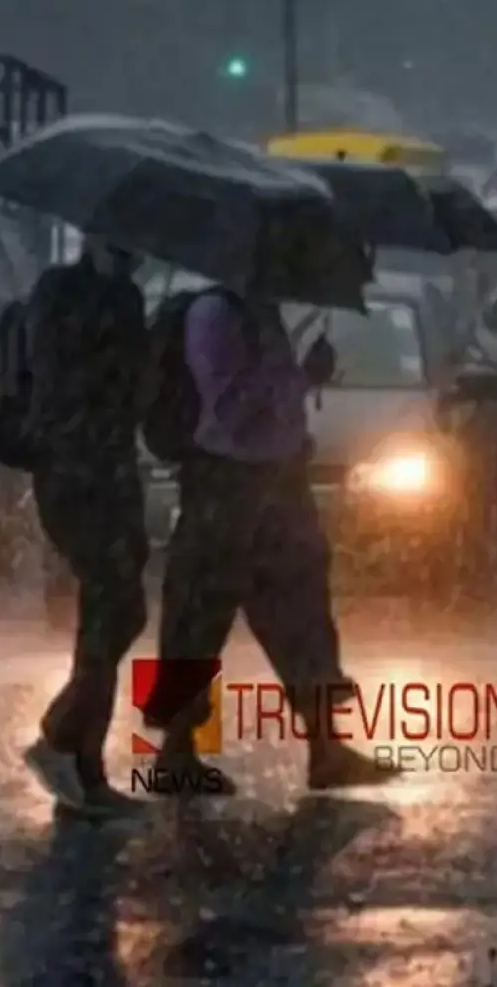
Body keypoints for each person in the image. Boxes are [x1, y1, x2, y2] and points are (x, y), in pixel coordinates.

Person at [140, 285, 402, 796]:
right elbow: (232, 408)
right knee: (198, 615)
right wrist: (297, 378)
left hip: (278, 481)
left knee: (302, 614)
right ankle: (175, 751)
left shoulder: (264, 312)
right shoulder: (214, 315)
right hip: (227, 483)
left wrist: (305, 378)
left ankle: (327, 748)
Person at [17, 238, 154, 819]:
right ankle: (73, 755)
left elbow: (132, 393)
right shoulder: (60, 292)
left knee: (121, 610)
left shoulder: (126, 297)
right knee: (110, 603)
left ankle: (69, 743)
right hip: (74, 471)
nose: (132, 254)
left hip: (114, 467)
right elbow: (61, 379)